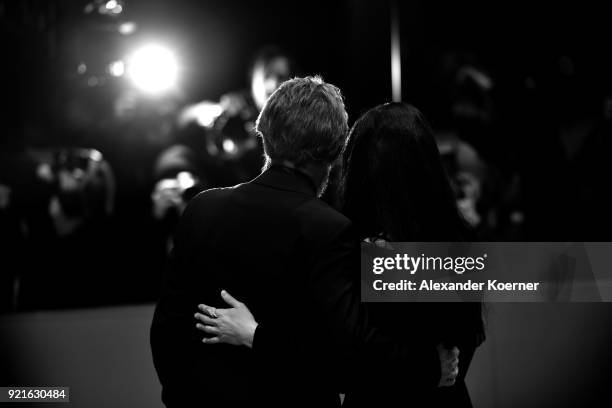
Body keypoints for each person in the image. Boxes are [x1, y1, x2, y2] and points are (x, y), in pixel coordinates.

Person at [151, 78, 459, 407]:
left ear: (265, 131)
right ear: (334, 149)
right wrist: (428, 368)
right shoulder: (328, 229)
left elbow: (165, 335)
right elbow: (345, 358)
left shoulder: (201, 208)